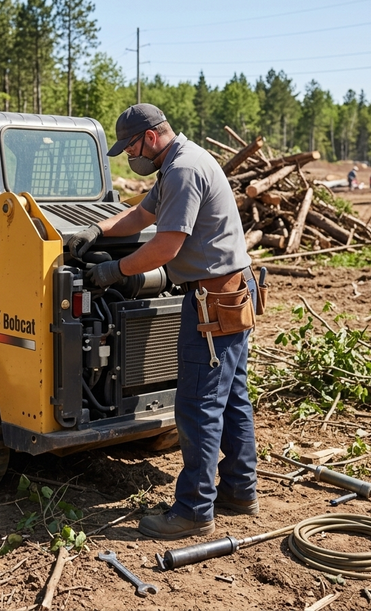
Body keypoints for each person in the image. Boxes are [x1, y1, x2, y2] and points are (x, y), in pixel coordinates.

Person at [68, 103, 259, 540]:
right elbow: (141, 215)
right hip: (229, 292)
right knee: (231, 399)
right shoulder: (179, 162)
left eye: (130, 147)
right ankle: (238, 490)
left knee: (198, 405)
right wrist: (99, 231)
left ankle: (193, 510)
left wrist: (113, 271)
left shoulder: (183, 170)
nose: (129, 155)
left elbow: (165, 248)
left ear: (150, 137)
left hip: (213, 301)